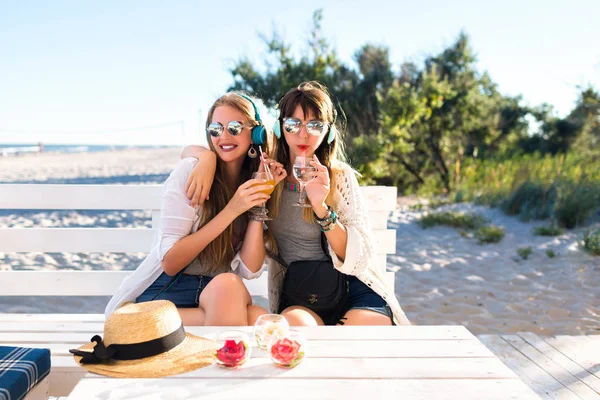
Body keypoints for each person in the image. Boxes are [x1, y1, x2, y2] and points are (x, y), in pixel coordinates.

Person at [182, 82, 410, 326]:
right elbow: (193, 150)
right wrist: (207, 157)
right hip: (302, 294)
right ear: (280, 128)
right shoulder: (269, 173)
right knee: (296, 329)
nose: (303, 134)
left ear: (329, 131)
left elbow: (359, 258)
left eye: (315, 125)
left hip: (354, 288)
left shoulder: (339, 176)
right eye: (293, 124)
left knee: (356, 332)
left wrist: (321, 206)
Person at [105, 92, 286, 326]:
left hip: (212, 296)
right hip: (162, 297)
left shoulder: (249, 182)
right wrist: (231, 207)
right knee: (236, 296)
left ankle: (216, 357)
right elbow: (170, 263)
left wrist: (258, 201)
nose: (223, 136)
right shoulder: (192, 171)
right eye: (215, 129)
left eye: (234, 128)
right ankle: (219, 359)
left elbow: (250, 269)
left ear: (256, 134)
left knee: (257, 315)